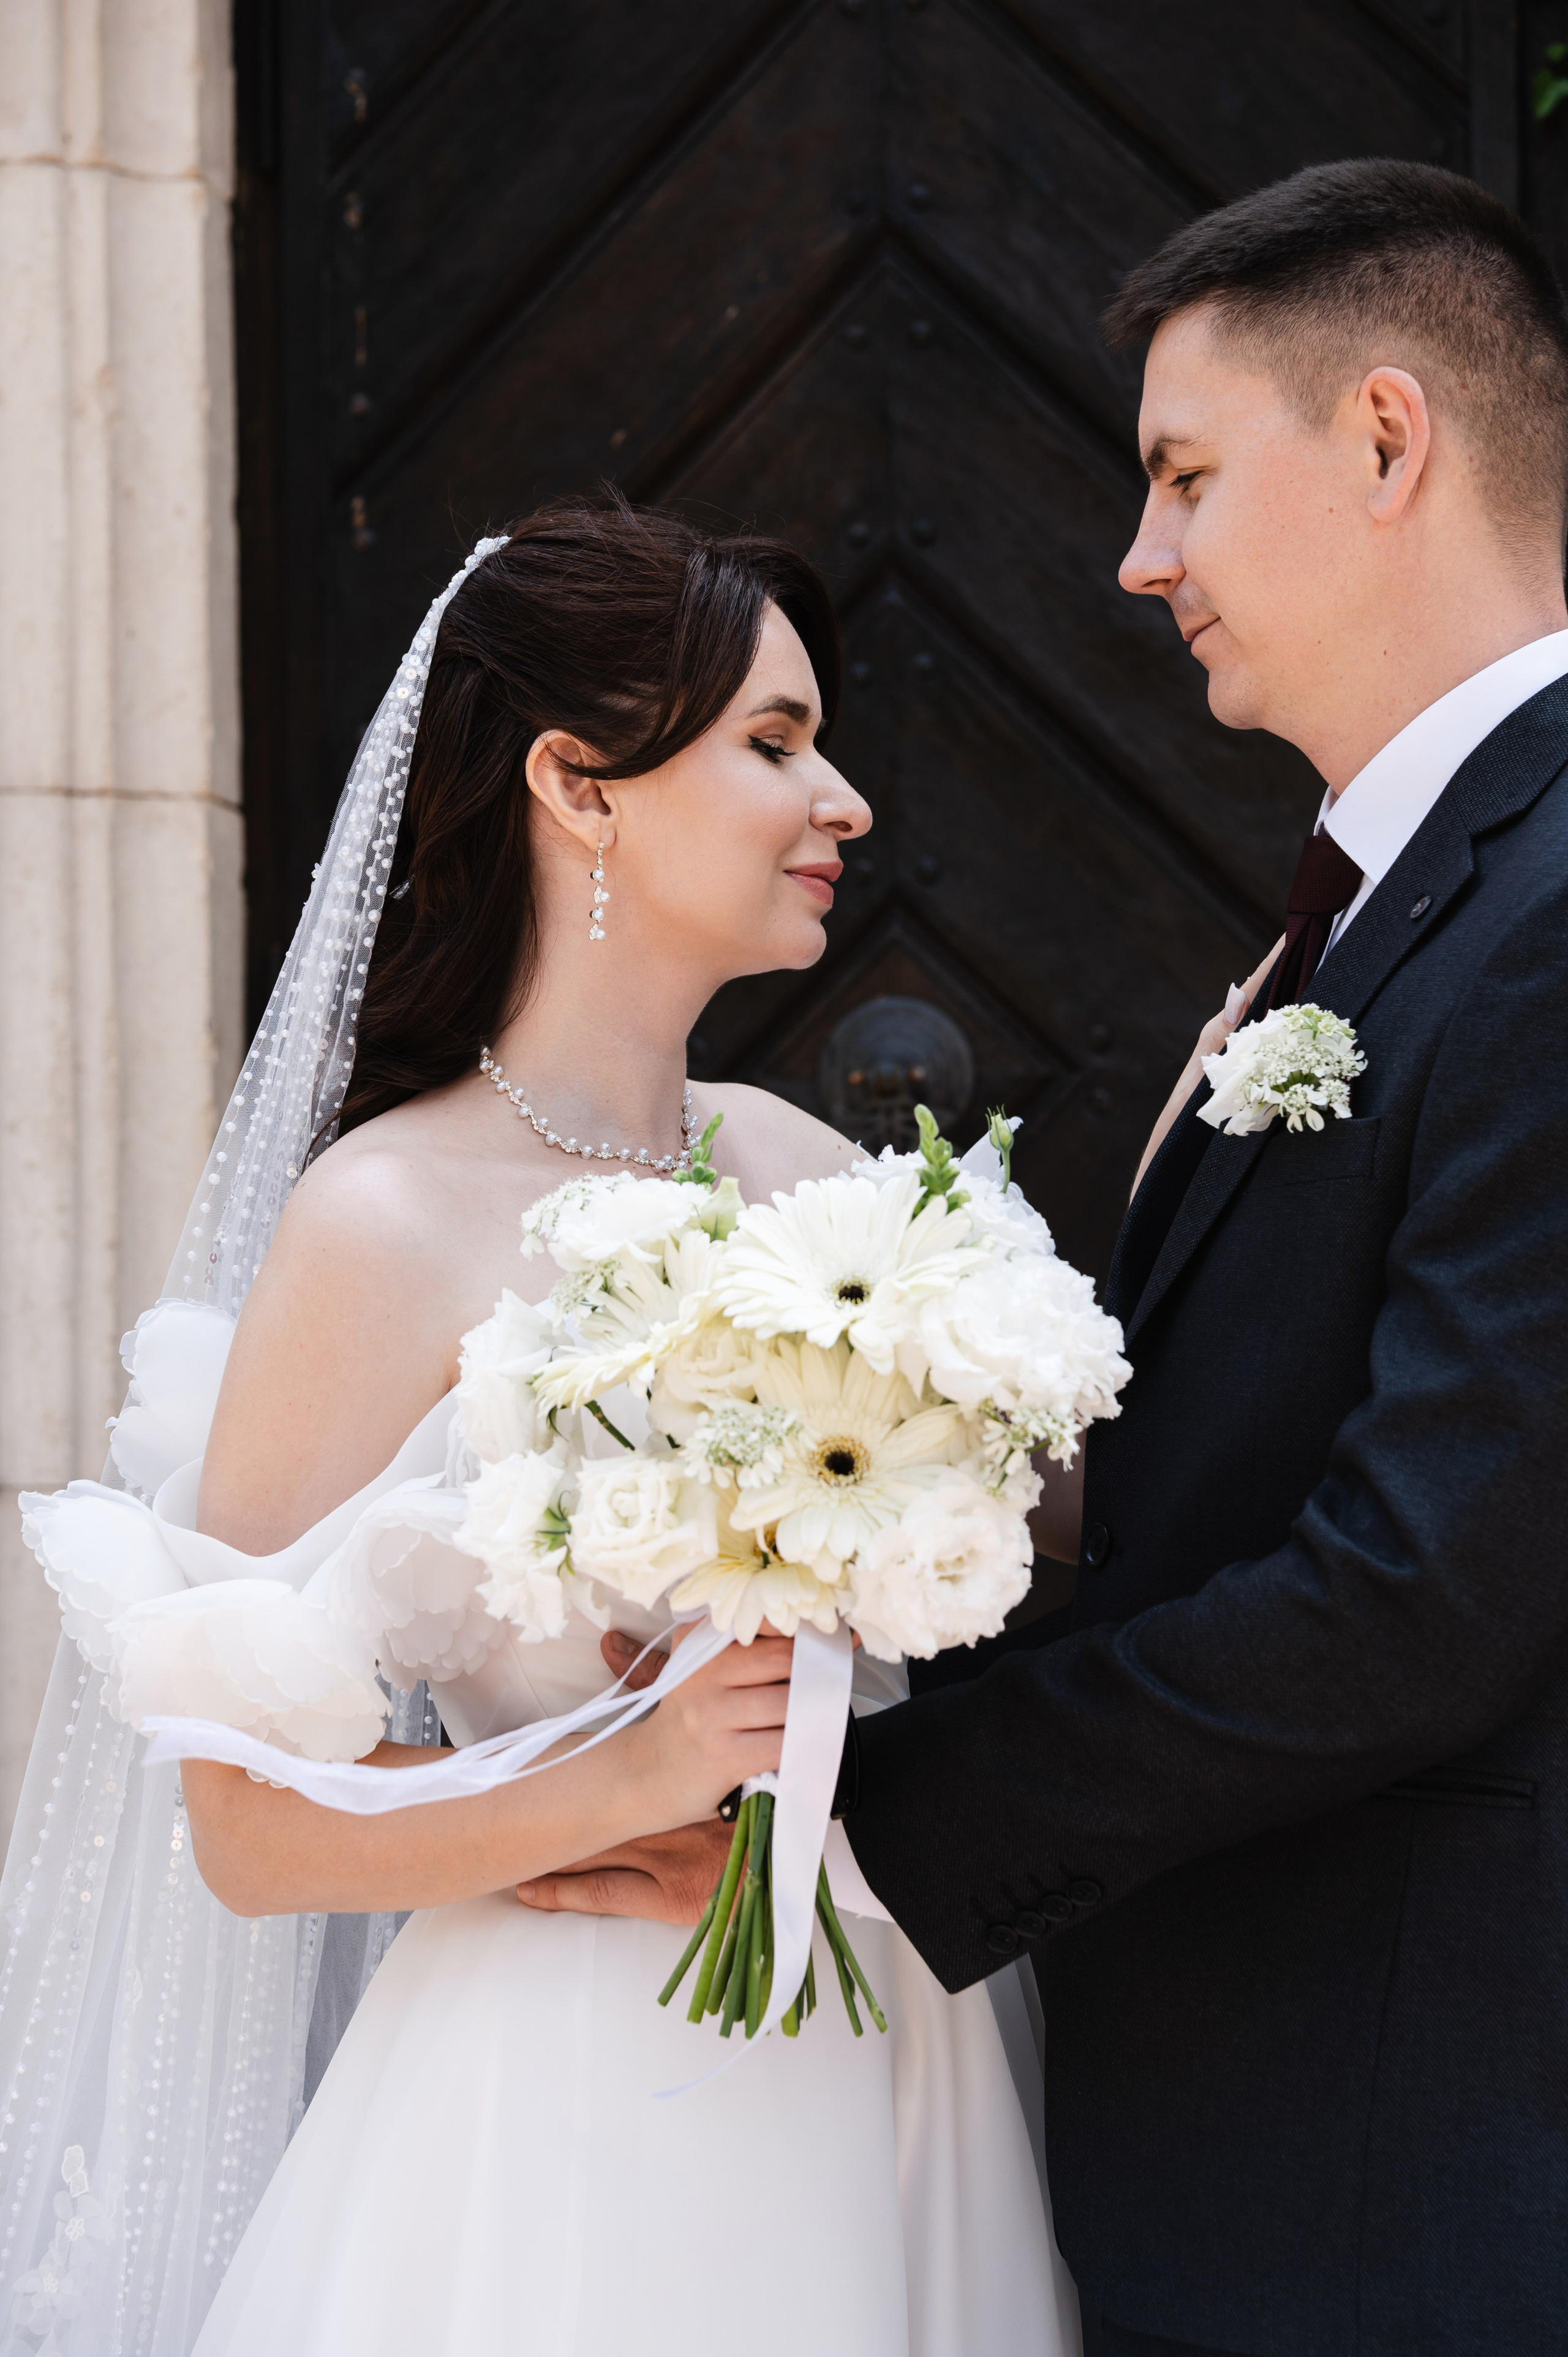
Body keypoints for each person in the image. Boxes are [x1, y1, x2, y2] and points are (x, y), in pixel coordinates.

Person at [4, 502, 1071, 2356]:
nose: (843, 802)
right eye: (774, 742)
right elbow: (245, 1827)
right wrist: (617, 1785)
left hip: (882, 2034)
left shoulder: (812, 1177)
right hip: (579, 2084)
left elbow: (1045, 1545)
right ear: (580, 785)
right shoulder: (381, 1222)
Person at [830, 160, 1568, 2356]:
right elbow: (1218, 1478)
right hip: (1279, 2119)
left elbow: (1425, 1590)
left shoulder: (1549, 905)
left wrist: (870, 1819)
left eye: (1182, 476)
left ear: (1384, 437)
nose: (1139, 558)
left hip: (1423, 2155)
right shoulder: (1412, 894)